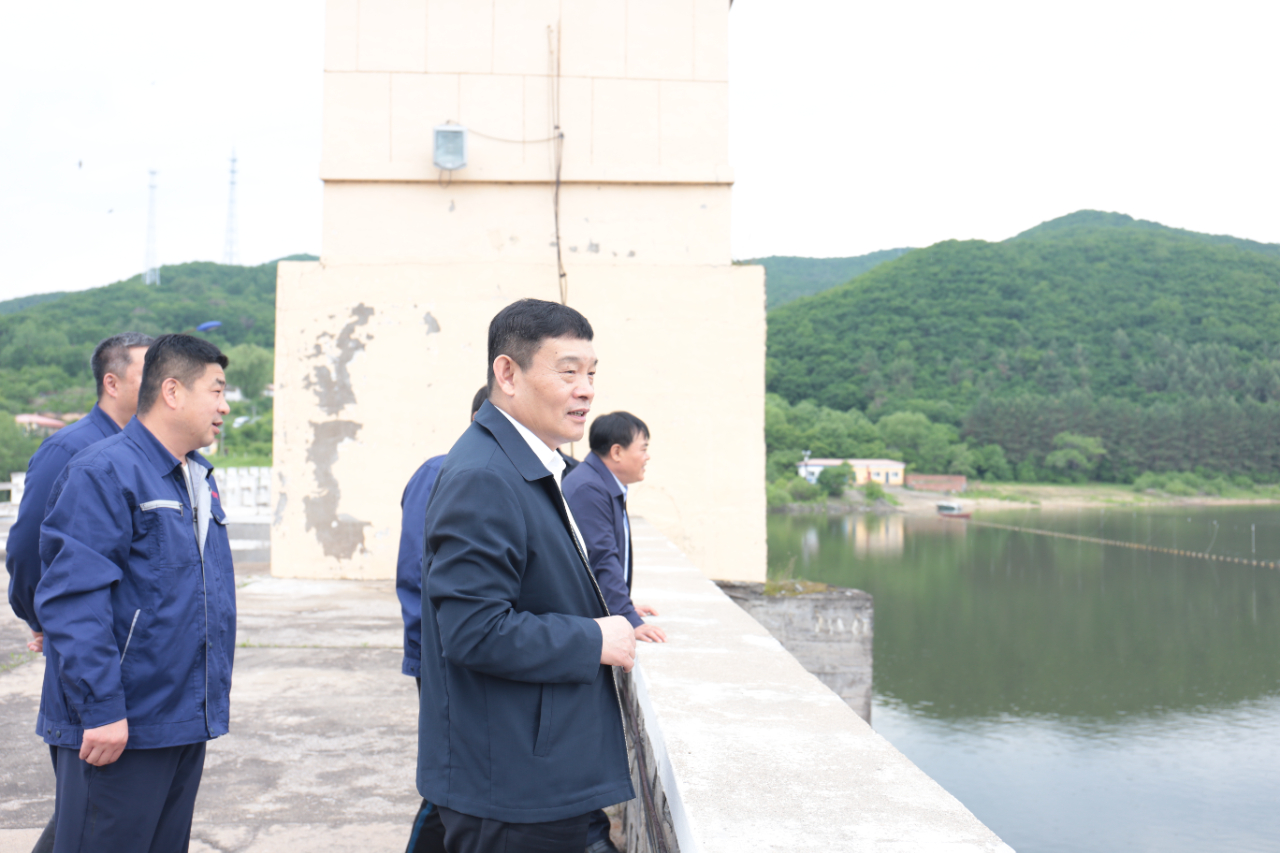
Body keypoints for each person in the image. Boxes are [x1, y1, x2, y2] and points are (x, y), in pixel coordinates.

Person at [417, 298, 635, 853]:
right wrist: (594, 638)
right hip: (511, 786)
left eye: (591, 374)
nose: (585, 390)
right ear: (508, 374)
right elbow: (474, 631)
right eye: (568, 372)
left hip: (535, 771)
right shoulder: (486, 476)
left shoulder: (527, 465)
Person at [34, 334, 236, 853]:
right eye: (216, 391)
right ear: (172, 391)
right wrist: (101, 709)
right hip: (120, 726)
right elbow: (74, 600)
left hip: (180, 719)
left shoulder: (195, 477)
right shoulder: (104, 472)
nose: (224, 406)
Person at [4, 331, 153, 853]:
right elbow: (27, 549)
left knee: (96, 816)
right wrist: (42, 618)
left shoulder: (149, 453)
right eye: (149, 374)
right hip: (88, 653)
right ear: (112, 383)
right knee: (90, 810)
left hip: (133, 663)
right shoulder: (71, 448)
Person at [563, 411, 665, 853]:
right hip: (586, 632)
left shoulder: (600, 484)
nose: (647, 457)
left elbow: (605, 561)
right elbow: (600, 556)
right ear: (617, 452)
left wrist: (624, 603)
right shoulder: (589, 487)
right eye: (644, 448)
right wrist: (628, 619)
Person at [395, 385, 488, 853]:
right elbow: (418, 573)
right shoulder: (440, 472)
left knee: (465, 775)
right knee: (450, 778)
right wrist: (428, 654)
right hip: (442, 653)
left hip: (469, 649)